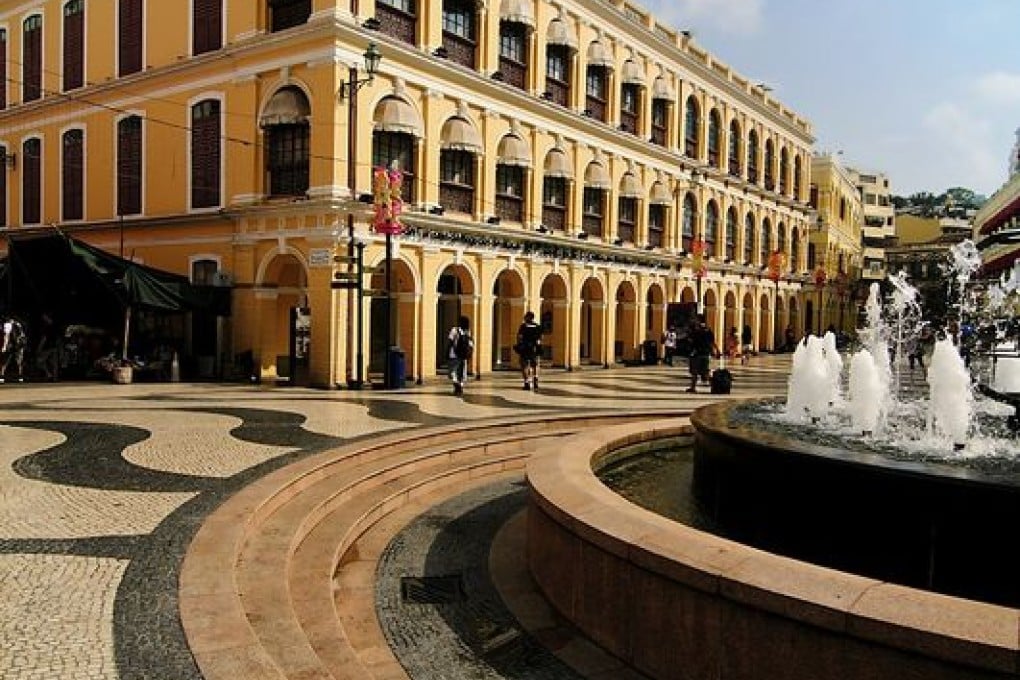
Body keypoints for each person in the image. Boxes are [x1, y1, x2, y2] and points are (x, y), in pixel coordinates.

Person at [685, 314, 719, 394]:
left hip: (697, 353)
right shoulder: (708, 330)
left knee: (695, 372)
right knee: (706, 372)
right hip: (706, 353)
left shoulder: (696, 331)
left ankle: (693, 388)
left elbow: (691, 342)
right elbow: (712, 342)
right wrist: (717, 350)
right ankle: (714, 387)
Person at [446, 315, 473, 395]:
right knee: (462, 372)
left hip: (453, 354)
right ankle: (460, 384)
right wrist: (469, 355)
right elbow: (470, 344)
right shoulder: (467, 332)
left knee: (452, 371)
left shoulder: (454, 330)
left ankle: (456, 383)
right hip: (463, 355)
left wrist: (447, 352)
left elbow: (450, 342)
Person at [516, 311, 543, 390]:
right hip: (534, 348)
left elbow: (519, 337)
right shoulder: (537, 326)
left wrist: (519, 345)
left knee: (524, 365)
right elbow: (540, 338)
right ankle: (535, 379)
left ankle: (527, 382)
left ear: (528, 317)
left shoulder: (523, 326)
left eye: (525, 317)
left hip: (525, 348)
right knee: (535, 364)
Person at [1, 316, 28, 383]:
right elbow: (23, 335)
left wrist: (4, 346)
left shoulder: (8, 325)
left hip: (11, 345)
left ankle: (1, 377)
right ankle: (20, 378)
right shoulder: (18, 324)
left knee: (5, 361)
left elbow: (6, 336)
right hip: (19, 345)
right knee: (19, 362)